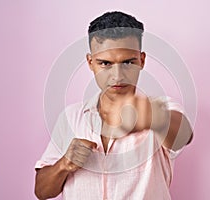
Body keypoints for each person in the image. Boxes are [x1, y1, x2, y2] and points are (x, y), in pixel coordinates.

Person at [34, 11, 193, 200]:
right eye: (105, 63)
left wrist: (154, 119)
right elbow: (41, 192)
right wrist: (64, 164)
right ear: (91, 62)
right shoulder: (71, 116)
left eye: (128, 62)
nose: (117, 75)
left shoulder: (161, 109)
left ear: (141, 60)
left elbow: (183, 135)